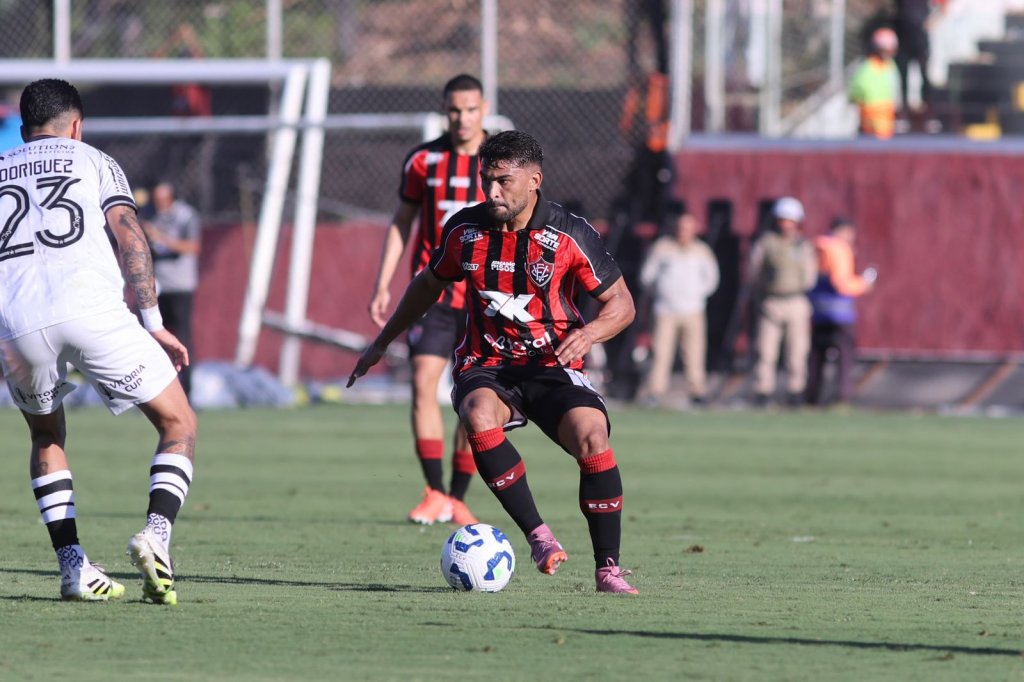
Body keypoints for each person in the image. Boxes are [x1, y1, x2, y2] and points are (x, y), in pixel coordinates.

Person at [350, 130, 640, 594]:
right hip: (486, 363)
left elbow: (622, 304)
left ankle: (608, 569)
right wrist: (383, 342)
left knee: (593, 435)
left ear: (534, 180)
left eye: (503, 181)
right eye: (486, 180)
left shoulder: (569, 234)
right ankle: (538, 535)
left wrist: (588, 333)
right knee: (478, 413)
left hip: (552, 365)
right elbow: (427, 285)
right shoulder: (465, 231)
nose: (492, 192)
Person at [0, 79, 196, 604]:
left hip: (16, 323)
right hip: (91, 309)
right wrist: (153, 321)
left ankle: (72, 567)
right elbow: (130, 235)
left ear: (23, 128)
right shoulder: (95, 160)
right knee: (178, 422)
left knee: (46, 436)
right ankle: (156, 534)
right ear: (76, 125)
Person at [368, 74, 488, 526]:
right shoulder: (423, 161)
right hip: (433, 294)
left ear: (484, 108)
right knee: (422, 383)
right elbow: (402, 222)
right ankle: (435, 491)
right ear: (444, 110)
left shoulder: (500, 160)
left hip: (484, 297)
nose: (462, 118)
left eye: (471, 109)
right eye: (454, 110)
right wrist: (383, 282)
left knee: (476, 397)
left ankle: (458, 497)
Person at [638, 207, 719, 406]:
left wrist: (696, 295)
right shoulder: (662, 248)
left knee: (694, 352)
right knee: (661, 352)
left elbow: (712, 279)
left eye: (688, 228)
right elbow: (647, 277)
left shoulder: (702, 250)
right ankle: (655, 391)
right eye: (681, 227)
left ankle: (697, 391)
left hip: (693, 310)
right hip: (665, 310)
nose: (684, 232)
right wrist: (662, 293)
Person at [748, 197, 817, 406]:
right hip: (772, 302)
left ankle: (795, 392)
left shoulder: (803, 246)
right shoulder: (766, 243)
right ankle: (762, 391)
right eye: (783, 220)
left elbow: (810, 277)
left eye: (790, 220)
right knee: (765, 351)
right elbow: (754, 273)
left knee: (797, 352)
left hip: (796, 301)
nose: (786, 224)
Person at [806, 217, 876, 406]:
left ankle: (812, 397)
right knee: (844, 356)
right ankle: (843, 396)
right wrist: (863, 284)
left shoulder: (817, 246)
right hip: (840, 313)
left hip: (818, 311)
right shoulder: (839, 249)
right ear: (843, 231)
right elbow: (841, 283)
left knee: (816, 357)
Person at [142, 181, 201, 400]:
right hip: (156, 287)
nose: (159, 204)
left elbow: (193, 246)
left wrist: (161, 238)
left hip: (180, 286)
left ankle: (187, 391)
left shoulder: (185, 215)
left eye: (163, 199)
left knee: (181, 338)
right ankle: (155, 393)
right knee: (153, 339)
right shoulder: (149, 215)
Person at [894, 0, 947, 115]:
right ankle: (905, 107)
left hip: (920, 38)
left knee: (924, 73)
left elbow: (944, 5)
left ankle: (927, 106)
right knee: (903, 74)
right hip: (903, 38)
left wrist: (933, 21)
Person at [848, 27, 900, 139]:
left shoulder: (890, 66)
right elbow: (857, 91)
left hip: (885, 118)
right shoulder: (868, 67)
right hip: (869, 118)